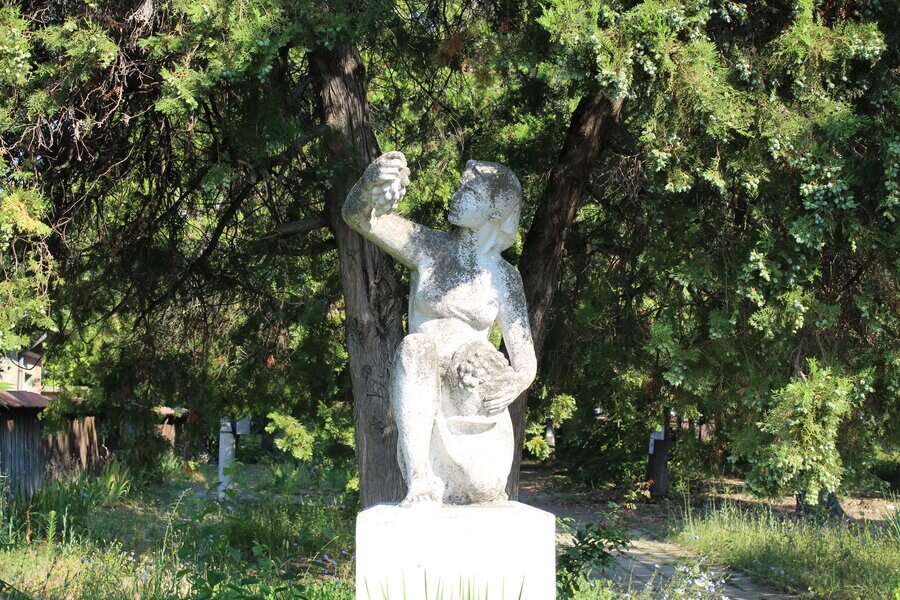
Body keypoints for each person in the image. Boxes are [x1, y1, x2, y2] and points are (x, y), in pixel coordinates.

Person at [343, 151, 537, 506]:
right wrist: (370, 183)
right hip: (423, 388)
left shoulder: (505, 278)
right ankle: (420, 477)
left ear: (495, 211)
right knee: (416, 348)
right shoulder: (429, 248)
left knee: (483, 488)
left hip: (472, 396)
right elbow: (358, 217)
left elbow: (524, 359)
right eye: (460, 187)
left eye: (470, 191)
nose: (456, 194)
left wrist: (514, 382)